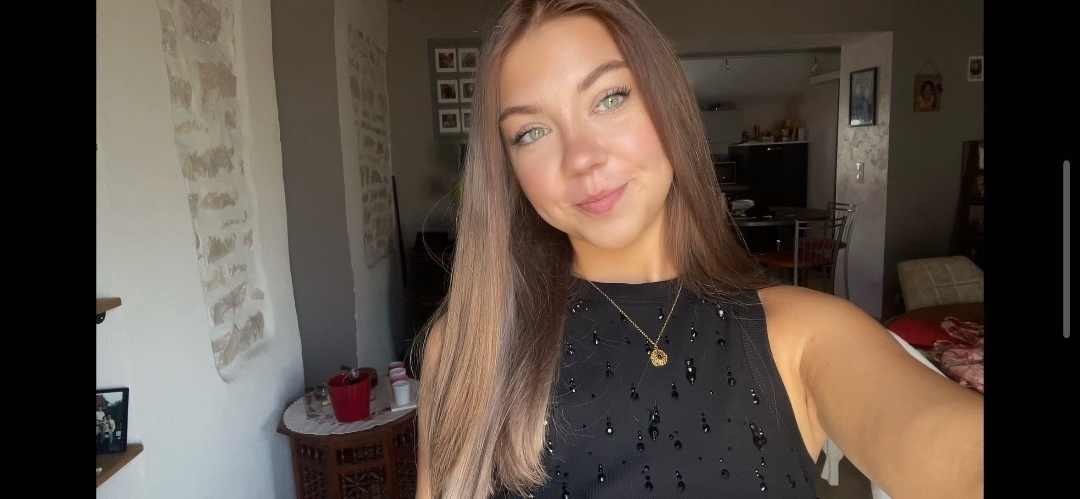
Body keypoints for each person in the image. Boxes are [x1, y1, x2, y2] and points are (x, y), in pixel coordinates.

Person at [413, 1, 984, 498]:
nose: (581, 157)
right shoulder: (471, 348)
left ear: (667, 104)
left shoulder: (804, 335)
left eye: (610, 98)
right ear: (508, 171)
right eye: (531, 132)